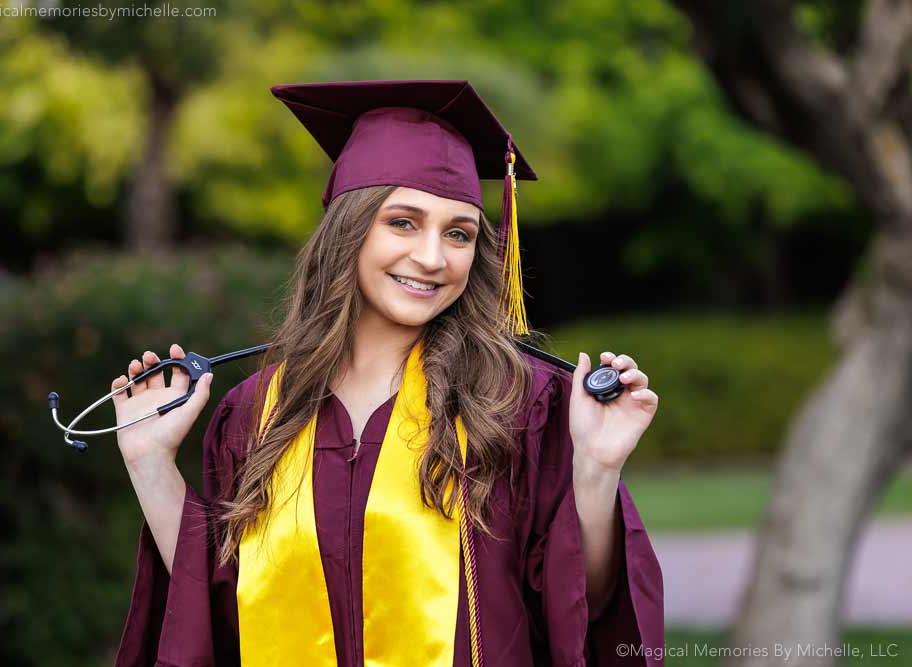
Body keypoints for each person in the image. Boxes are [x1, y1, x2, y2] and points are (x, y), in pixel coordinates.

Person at [111, 80, 664, 667]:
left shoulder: (517, 405)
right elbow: (222, 606)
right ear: (349, 229)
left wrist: (597, 472)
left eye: (459, 233)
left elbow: (586, 602)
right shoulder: (257, 412)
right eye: (403, 222)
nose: (432, 258)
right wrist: (149, 463)